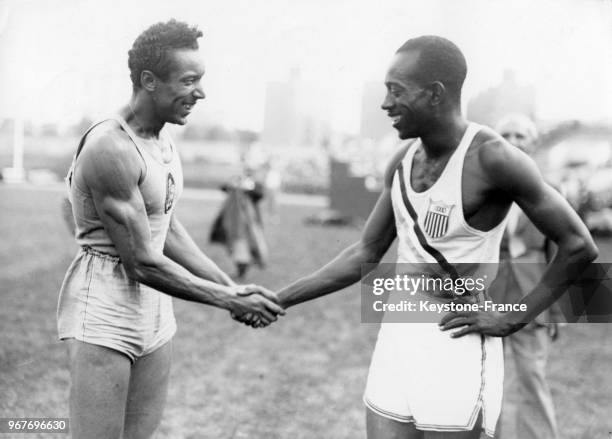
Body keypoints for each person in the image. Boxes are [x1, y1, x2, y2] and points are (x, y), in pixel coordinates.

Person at [234, 36, 597, 438]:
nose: (386, 104)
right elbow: (365, 252)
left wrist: (514, 316)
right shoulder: (402, 162)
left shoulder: (494, 158)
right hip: (399, 335)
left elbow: (578, 245)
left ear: (435, 94)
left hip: (458, 338)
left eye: (396, 90)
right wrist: (278, 298)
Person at [57, 20, 284, 439]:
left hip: (155, 312)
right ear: (149, 80)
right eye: (189, 80)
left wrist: (232, 287)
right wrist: (228, 300)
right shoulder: (112, 146)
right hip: (106, 308)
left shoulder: (161, 139)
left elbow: (167, 227)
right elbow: (142, 262)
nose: (201, 92)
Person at [490, 114, 563, 439]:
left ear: (532, 144)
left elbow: (563, 252)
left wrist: (557, 310)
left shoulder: (549, 190)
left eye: (521, 135)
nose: (514, 141)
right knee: (487, 378)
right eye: (507, 134)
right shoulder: (484, 189)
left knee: (532, 377)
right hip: (488, 298)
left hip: (532, 298)